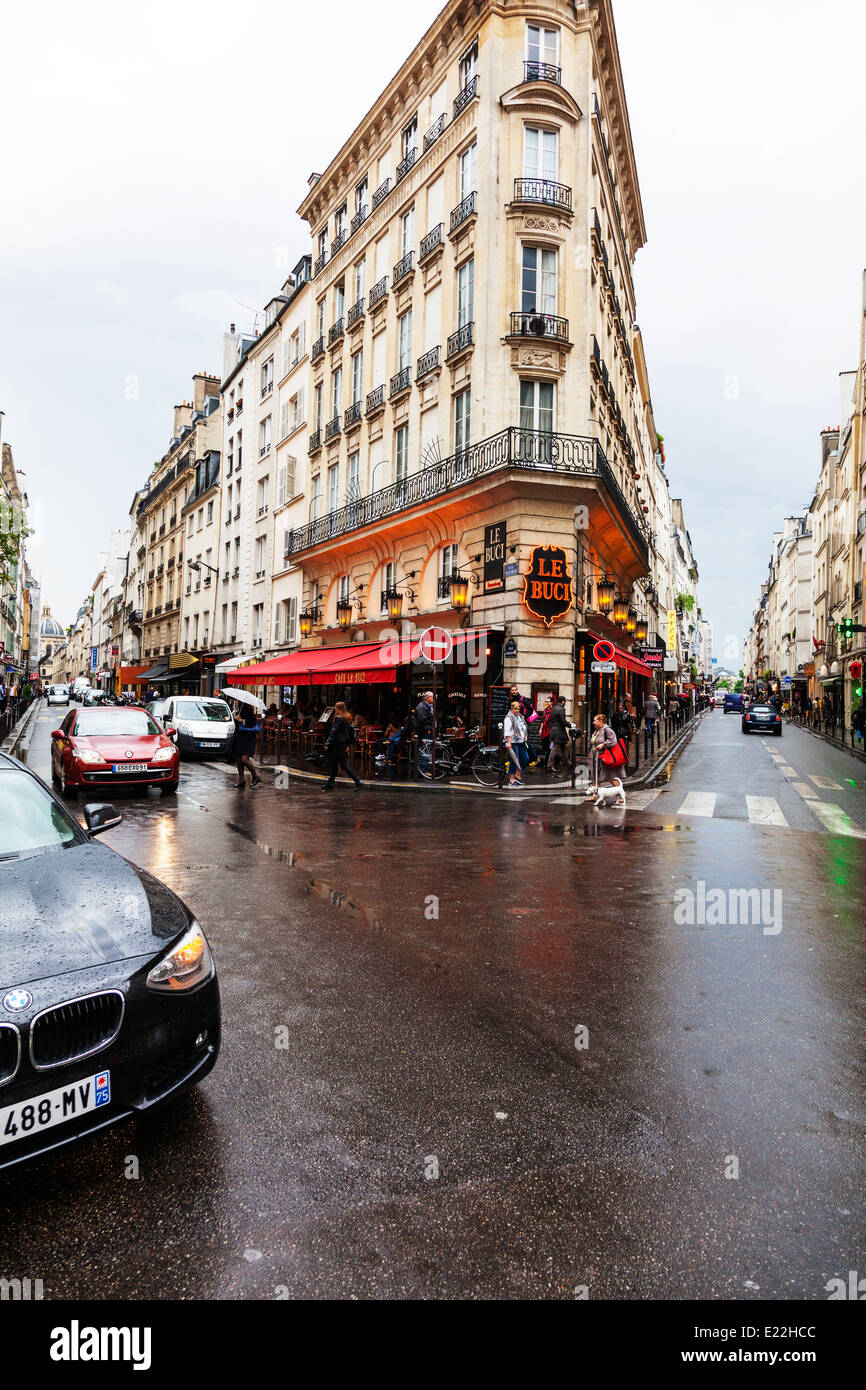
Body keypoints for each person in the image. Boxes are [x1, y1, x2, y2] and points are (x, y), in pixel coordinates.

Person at [587, 712, 626, 807]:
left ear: (601, 722)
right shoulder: (597, 730)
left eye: (595, 721)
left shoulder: (607, 730)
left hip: (604, 757)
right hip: (595, 757)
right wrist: (590, 752)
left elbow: (613, 741)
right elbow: (593, 742)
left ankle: (622, 795)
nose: (593, 722)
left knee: (610, 777)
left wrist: (603, 744)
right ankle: (595, 796)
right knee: (595, 777)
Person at [322, 700, 362, 789]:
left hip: (337, 743)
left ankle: (357, 781)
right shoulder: (347, 717)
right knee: (335, 764)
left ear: (338, 708)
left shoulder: (339, 718)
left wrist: (327, 743)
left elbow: (334, 731)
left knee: (342, 764)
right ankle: (330, 783)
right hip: (343, 743)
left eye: (335, 707)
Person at [504, 699, 530, 788]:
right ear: (512, 709)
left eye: (518, 709)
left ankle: (518, 776)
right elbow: (506, 731)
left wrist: (525, 735)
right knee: (514, 761)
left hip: (521, 741)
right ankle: (511, 780)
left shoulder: (520, 717)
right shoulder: (509, 718)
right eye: (515, 709)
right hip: (513, 742)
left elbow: (524, 727)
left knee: (525, 758)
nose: (517, 711)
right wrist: (509, 742)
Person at [233, 706, 261, 788]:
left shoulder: (248, 710)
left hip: (248, 739)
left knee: (244, 759)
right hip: (239, 738)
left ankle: (256, 776)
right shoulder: (239, 710)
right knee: (238, 760)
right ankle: (241, 780)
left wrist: (240, 720)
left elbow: (251, 723)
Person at [546, 697, 571, 772]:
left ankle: (568, 763)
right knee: (555, 748)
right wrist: (571, 725)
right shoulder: (561, 709)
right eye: (565, 702)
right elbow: (563, 722)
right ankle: (549, 765)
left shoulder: (554, 708)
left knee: (563, 747)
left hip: (554, 730)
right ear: (563, 702)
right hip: (559, 732)